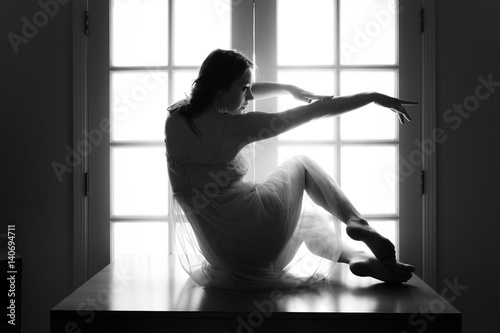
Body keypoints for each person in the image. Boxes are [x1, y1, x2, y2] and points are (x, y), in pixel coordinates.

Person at [165, 49, 416, 289]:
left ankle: (357, 257)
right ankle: (356, 221)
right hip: (260, 233)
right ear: (220, 88)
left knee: (303, 219)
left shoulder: (176, 116)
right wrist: (372, 96)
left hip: (226, 256)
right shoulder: (236, 127)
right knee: (302, 163)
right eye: (244, 90)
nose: (249, 98)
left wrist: (288, 89)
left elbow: (236, 88)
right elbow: (317, 110)